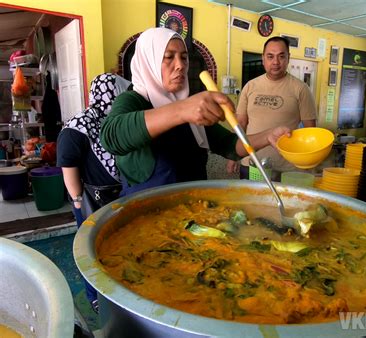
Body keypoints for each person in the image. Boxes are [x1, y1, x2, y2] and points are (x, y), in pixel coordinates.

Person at [100, 27, 290, 195]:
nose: (180, 65)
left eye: (184, 57)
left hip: (193, 207)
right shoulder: (133, 99)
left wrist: (269, 136)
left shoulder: (191, 104)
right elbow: (111, 137)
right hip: (148, 216)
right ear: (148, 61)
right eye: (169, 57)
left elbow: (230, 145)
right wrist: (182, 110)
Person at [57, 72, 130, 313]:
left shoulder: (118, 121)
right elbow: (68, 163)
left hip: (118, 196)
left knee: (116, 246)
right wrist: (78, 200)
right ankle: (95, 297)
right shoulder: (79, 124)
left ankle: (118, 290)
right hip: (91, 200)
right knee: (90, 250)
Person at [226, 36, 317, 180]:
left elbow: (310, 131)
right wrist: (232, 156)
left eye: (281, 56)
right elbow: (241, 123)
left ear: (288, 58)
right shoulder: (250, 86)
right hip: (251, 162)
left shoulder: (301, 89)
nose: (275, 62)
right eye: (270, 56)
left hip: (285, 168)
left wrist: (308, 163)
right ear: (263, 58)